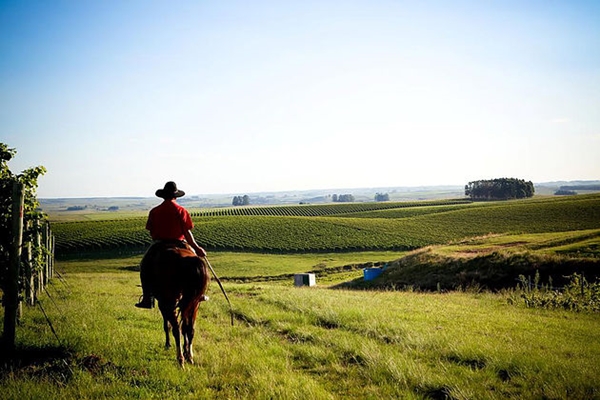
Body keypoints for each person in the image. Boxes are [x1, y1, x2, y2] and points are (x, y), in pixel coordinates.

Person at [135, 181, 207, 309]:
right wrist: (197, 248)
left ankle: (147, 298)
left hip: (159, 244)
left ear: (163, 196)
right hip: (180, 242)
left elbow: (152, 232)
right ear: (175, 196)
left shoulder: (155, 211)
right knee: (196, 263)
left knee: (145, 265)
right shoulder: (181, 210)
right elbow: (187, 232)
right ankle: (199, 293)